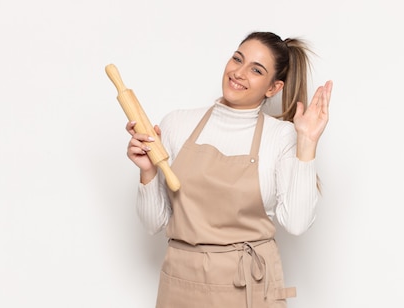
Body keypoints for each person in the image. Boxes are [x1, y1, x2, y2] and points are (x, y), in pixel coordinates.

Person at [124, 31, 333, 308]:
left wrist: (306, 142)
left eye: (256, 70)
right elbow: (153, 224)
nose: (239, 72)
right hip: (180, 282)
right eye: (238, 59)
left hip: (250, 286)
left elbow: (296, 224)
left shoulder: (280, 137)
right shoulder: (177, 124)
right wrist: (148, 172)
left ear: (273, 88)